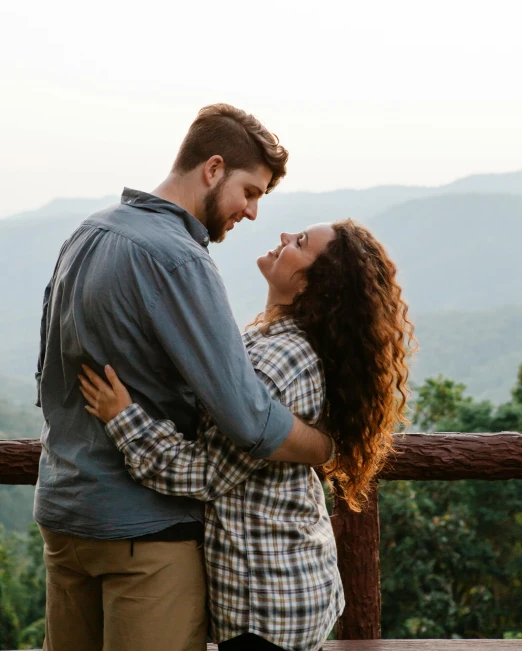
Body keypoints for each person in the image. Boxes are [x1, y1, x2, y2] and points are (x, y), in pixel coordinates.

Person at [35, 103, 333, 651]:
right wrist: (323, 445)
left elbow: (45, 371)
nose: (251, 213)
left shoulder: (87, 232)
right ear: (213, 169)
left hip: (63, 514)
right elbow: (248, 418)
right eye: (250, 192)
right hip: (144, 533)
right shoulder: (179, 259)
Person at [79, 218, 416, 651]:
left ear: (314, 285)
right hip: (288, 584)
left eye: (299, 242)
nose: (283, 238)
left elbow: (202, 474)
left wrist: (122, 417)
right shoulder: (288, 343)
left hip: (265, 602)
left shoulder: (274, 362)